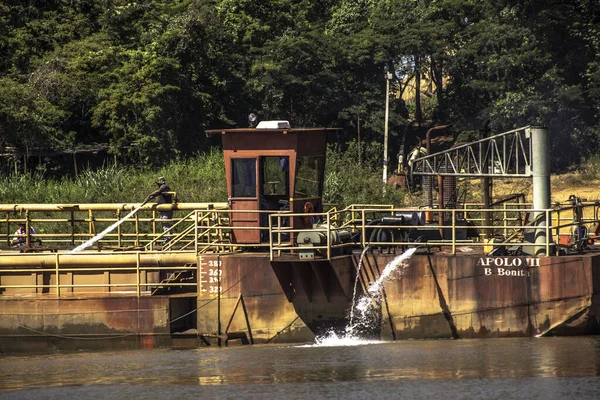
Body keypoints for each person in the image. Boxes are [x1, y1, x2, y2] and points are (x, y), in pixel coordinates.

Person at [145, 177, 174, 244]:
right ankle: (167, 239)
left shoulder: (164, 187)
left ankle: (168, 240)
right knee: (165, 224)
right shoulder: (162, 189)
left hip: (166, 209)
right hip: (163, 210)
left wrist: (150, 195)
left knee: (166, 224)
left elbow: (157, 192)